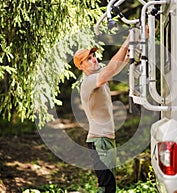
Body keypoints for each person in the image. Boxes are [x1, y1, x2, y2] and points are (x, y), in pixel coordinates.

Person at [73, 35, 130, 193]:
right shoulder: (89, 82)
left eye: (93, 56)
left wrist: (130, 50)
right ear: (81, 66)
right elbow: (111, 69)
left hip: (106, 140)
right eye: (88, 59)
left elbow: (115, 68)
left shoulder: (98, 78)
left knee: (109, 186)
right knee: (107, 188)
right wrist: (126, 42)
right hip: (100, 142)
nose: (94, 60)